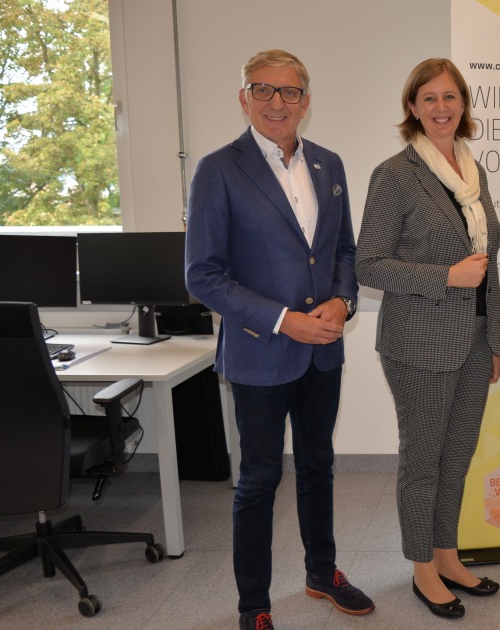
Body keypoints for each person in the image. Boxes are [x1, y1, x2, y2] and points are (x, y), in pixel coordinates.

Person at [184, 50, 371, 630]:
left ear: (305, 102)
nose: (276, 102)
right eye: (262, 89)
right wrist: (285, 320)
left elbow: (343, 251)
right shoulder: (218, 169)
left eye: (289, 92)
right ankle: (255, 605)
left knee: (318, 467)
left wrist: (343, 301)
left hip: (324, 353)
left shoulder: (328, 164)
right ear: (243, 98)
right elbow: (202, 276)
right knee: (259, 481)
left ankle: (322, 572)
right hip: (260, 352)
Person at [355, 57, 500, 620]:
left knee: (456, 457)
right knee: (422, 463)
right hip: (418, 344)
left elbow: (487, 265)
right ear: (413, 108)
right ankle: (421, 567)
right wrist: (445, 276)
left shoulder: (473, 170)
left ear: (463, 104)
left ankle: (447, 555)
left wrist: (495, 339)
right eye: (429, 98)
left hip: (473, 341)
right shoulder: (395, 174)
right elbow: (368, 264)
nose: (441, 108)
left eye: (450, 97)